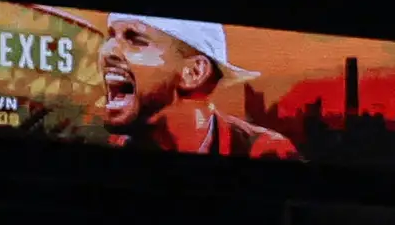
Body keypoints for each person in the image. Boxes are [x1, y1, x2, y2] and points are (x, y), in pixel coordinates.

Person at [100, 13, 296, 158]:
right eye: (110, 37)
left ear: (194, 72)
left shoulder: (267, 152)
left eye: (135, 40)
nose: (107, 51)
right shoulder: (112, 146)